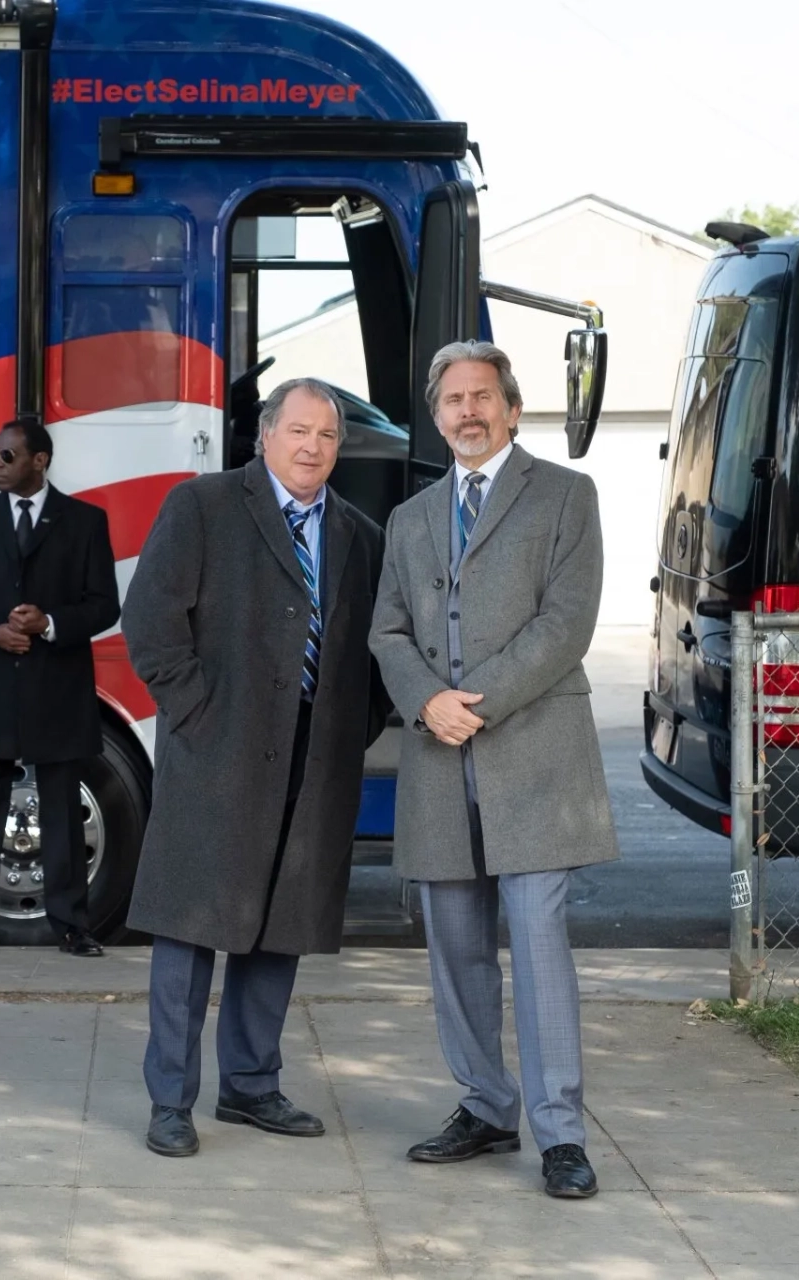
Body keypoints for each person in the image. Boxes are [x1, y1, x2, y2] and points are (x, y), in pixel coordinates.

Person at [368, 341, 619, 1199]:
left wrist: (474, 703)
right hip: (439, 764)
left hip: (534, 758)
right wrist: (425, 701)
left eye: (482, 397)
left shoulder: (564, 495)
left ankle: (560, 1135)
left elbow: (567, 623)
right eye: (452, 401)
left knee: (540, 948)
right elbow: (388, 631)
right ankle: (484, 1105)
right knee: (457, 948)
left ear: (511, 408)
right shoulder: (411, 518)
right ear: (436, 418)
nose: (467, 412)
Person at [121, 378, 390, 1158]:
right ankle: (171, 1101)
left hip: (315, 759)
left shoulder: (358, 535)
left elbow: (373, 648)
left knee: (282, 925)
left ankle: (251, 1087)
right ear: (266, 435)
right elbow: (150, 621)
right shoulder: (202, 507)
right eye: (299, 431)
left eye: (328, 437)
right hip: (218, 752)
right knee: (190, 924)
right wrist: (198, 714)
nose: (312, 447)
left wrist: (354, 726)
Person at [0, 417, 121, 958]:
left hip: (57, 691)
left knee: (61, 810)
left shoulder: (84, 522)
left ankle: (72, 927)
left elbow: (105, 605)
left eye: (7, 457)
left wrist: (49, 623)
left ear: (40, 460)